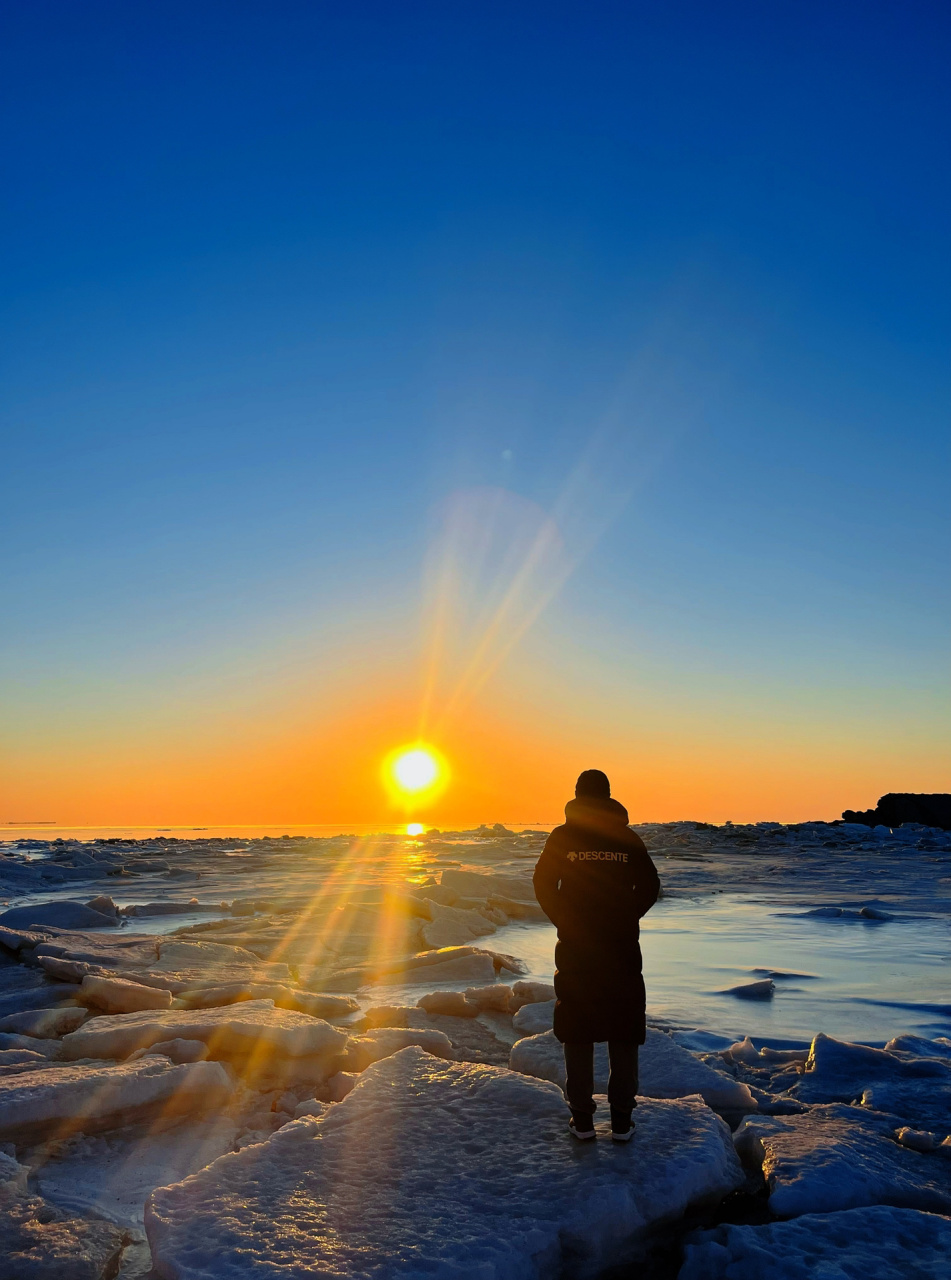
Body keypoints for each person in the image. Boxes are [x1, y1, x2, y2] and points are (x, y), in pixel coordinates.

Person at [532, 769, 660, 1142]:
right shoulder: (626, 837)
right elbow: (650, 885)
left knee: (578, 1027)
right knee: (623, 1027)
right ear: (608, 796)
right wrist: (626, 916)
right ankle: (621, 1121)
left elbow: (542, 882)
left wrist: (566, 919)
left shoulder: (563, 837)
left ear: (576, 795)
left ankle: (583, 1121)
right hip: (620, 946)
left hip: (577, 947)